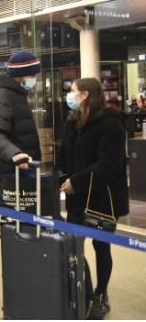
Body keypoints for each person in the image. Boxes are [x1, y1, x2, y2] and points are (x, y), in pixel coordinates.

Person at [56, 78, 129, 319]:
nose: (69, 94)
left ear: (85, 94)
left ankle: (100, 294)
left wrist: (76, 182)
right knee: (74, 244)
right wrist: (59, 178)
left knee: (101, 246)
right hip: (77, 198)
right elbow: (63, 154)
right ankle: (81, 287)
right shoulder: (73, 122)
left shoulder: (110, 122)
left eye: (73, 91)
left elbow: (109, 164)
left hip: (102, 199)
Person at [0, 50, 42, 226]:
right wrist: (14, 153)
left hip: (22, 174)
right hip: (10, 176)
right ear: (21, 75)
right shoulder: (2, 96)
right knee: (13, 234)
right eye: (32, 75)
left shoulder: (16, 95)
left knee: (25, 233)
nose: (35, 79)